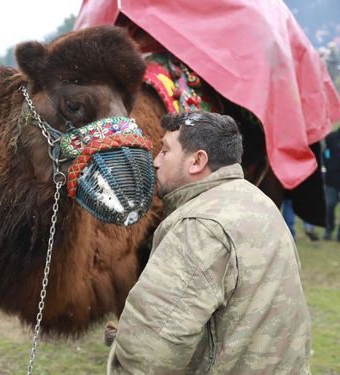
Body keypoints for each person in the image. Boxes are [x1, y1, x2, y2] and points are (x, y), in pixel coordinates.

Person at [107, 112, 311, 374]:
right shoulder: (259, 202)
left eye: (165, 151)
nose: (156, 162)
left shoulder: (199, 226)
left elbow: (149, 355)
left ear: (197, 161)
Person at [323, 128, 340, 240]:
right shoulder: (331, 137)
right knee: (329, 205)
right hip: (332, 178)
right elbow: (326, 152)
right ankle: (329, 228)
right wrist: (328, 163)